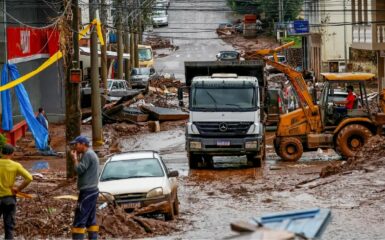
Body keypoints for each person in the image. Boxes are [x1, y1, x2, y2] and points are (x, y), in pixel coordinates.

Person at [0, 144, 33, 240]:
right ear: (12, 154)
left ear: (1, 152)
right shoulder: (15, 165)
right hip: (9, 198)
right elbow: (29, 178)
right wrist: (18, 189)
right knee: (9, 226)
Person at [70, 136, 100, 240]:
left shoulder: (88, 155)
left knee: (80, 219)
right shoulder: (90, 154)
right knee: (91, 220)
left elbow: (79, 169)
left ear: (83, 144)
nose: (75, 147)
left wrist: (74, 159)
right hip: (93, 190)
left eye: (76, 144)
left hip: (87, 191)